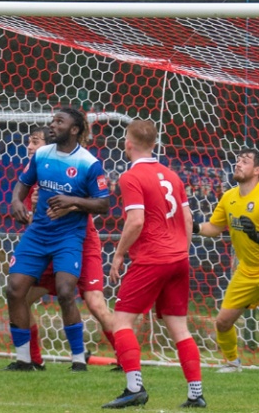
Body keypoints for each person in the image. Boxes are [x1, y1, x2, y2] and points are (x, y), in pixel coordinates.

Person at [103, 120, 205, 408]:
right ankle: (195, 393)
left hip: (152, 260)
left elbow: (136, 221)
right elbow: (186, 220)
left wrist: (120, 253)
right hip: (178, 259)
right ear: (154, 143)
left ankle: (134, 388)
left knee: (121, 322)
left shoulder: (130, 177)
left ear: (129, 143)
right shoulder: (171, 175)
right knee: (180, 329)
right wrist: (181, 253)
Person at [6, 107, 110, 372]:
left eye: (59, 122)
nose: (52, 125)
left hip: (69, 237)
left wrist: (72, 201)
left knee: (66, 292)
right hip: (38, 233)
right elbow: (23, 183)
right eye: (52, 121)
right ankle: (24, 360)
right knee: (14, 289)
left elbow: (103, 204)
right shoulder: (41, 155)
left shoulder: (88, 163)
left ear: (74, 129)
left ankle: (77, 360)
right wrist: (17, 200)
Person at [194, 147, 259, 374]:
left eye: (246, 161)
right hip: (247, 271)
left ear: (258, 170)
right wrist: (193, 226)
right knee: (222, 322)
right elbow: (214, 227)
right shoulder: (229, 197)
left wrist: (256, 236)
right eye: (238, 160)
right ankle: (232, 363)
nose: (239, 163)